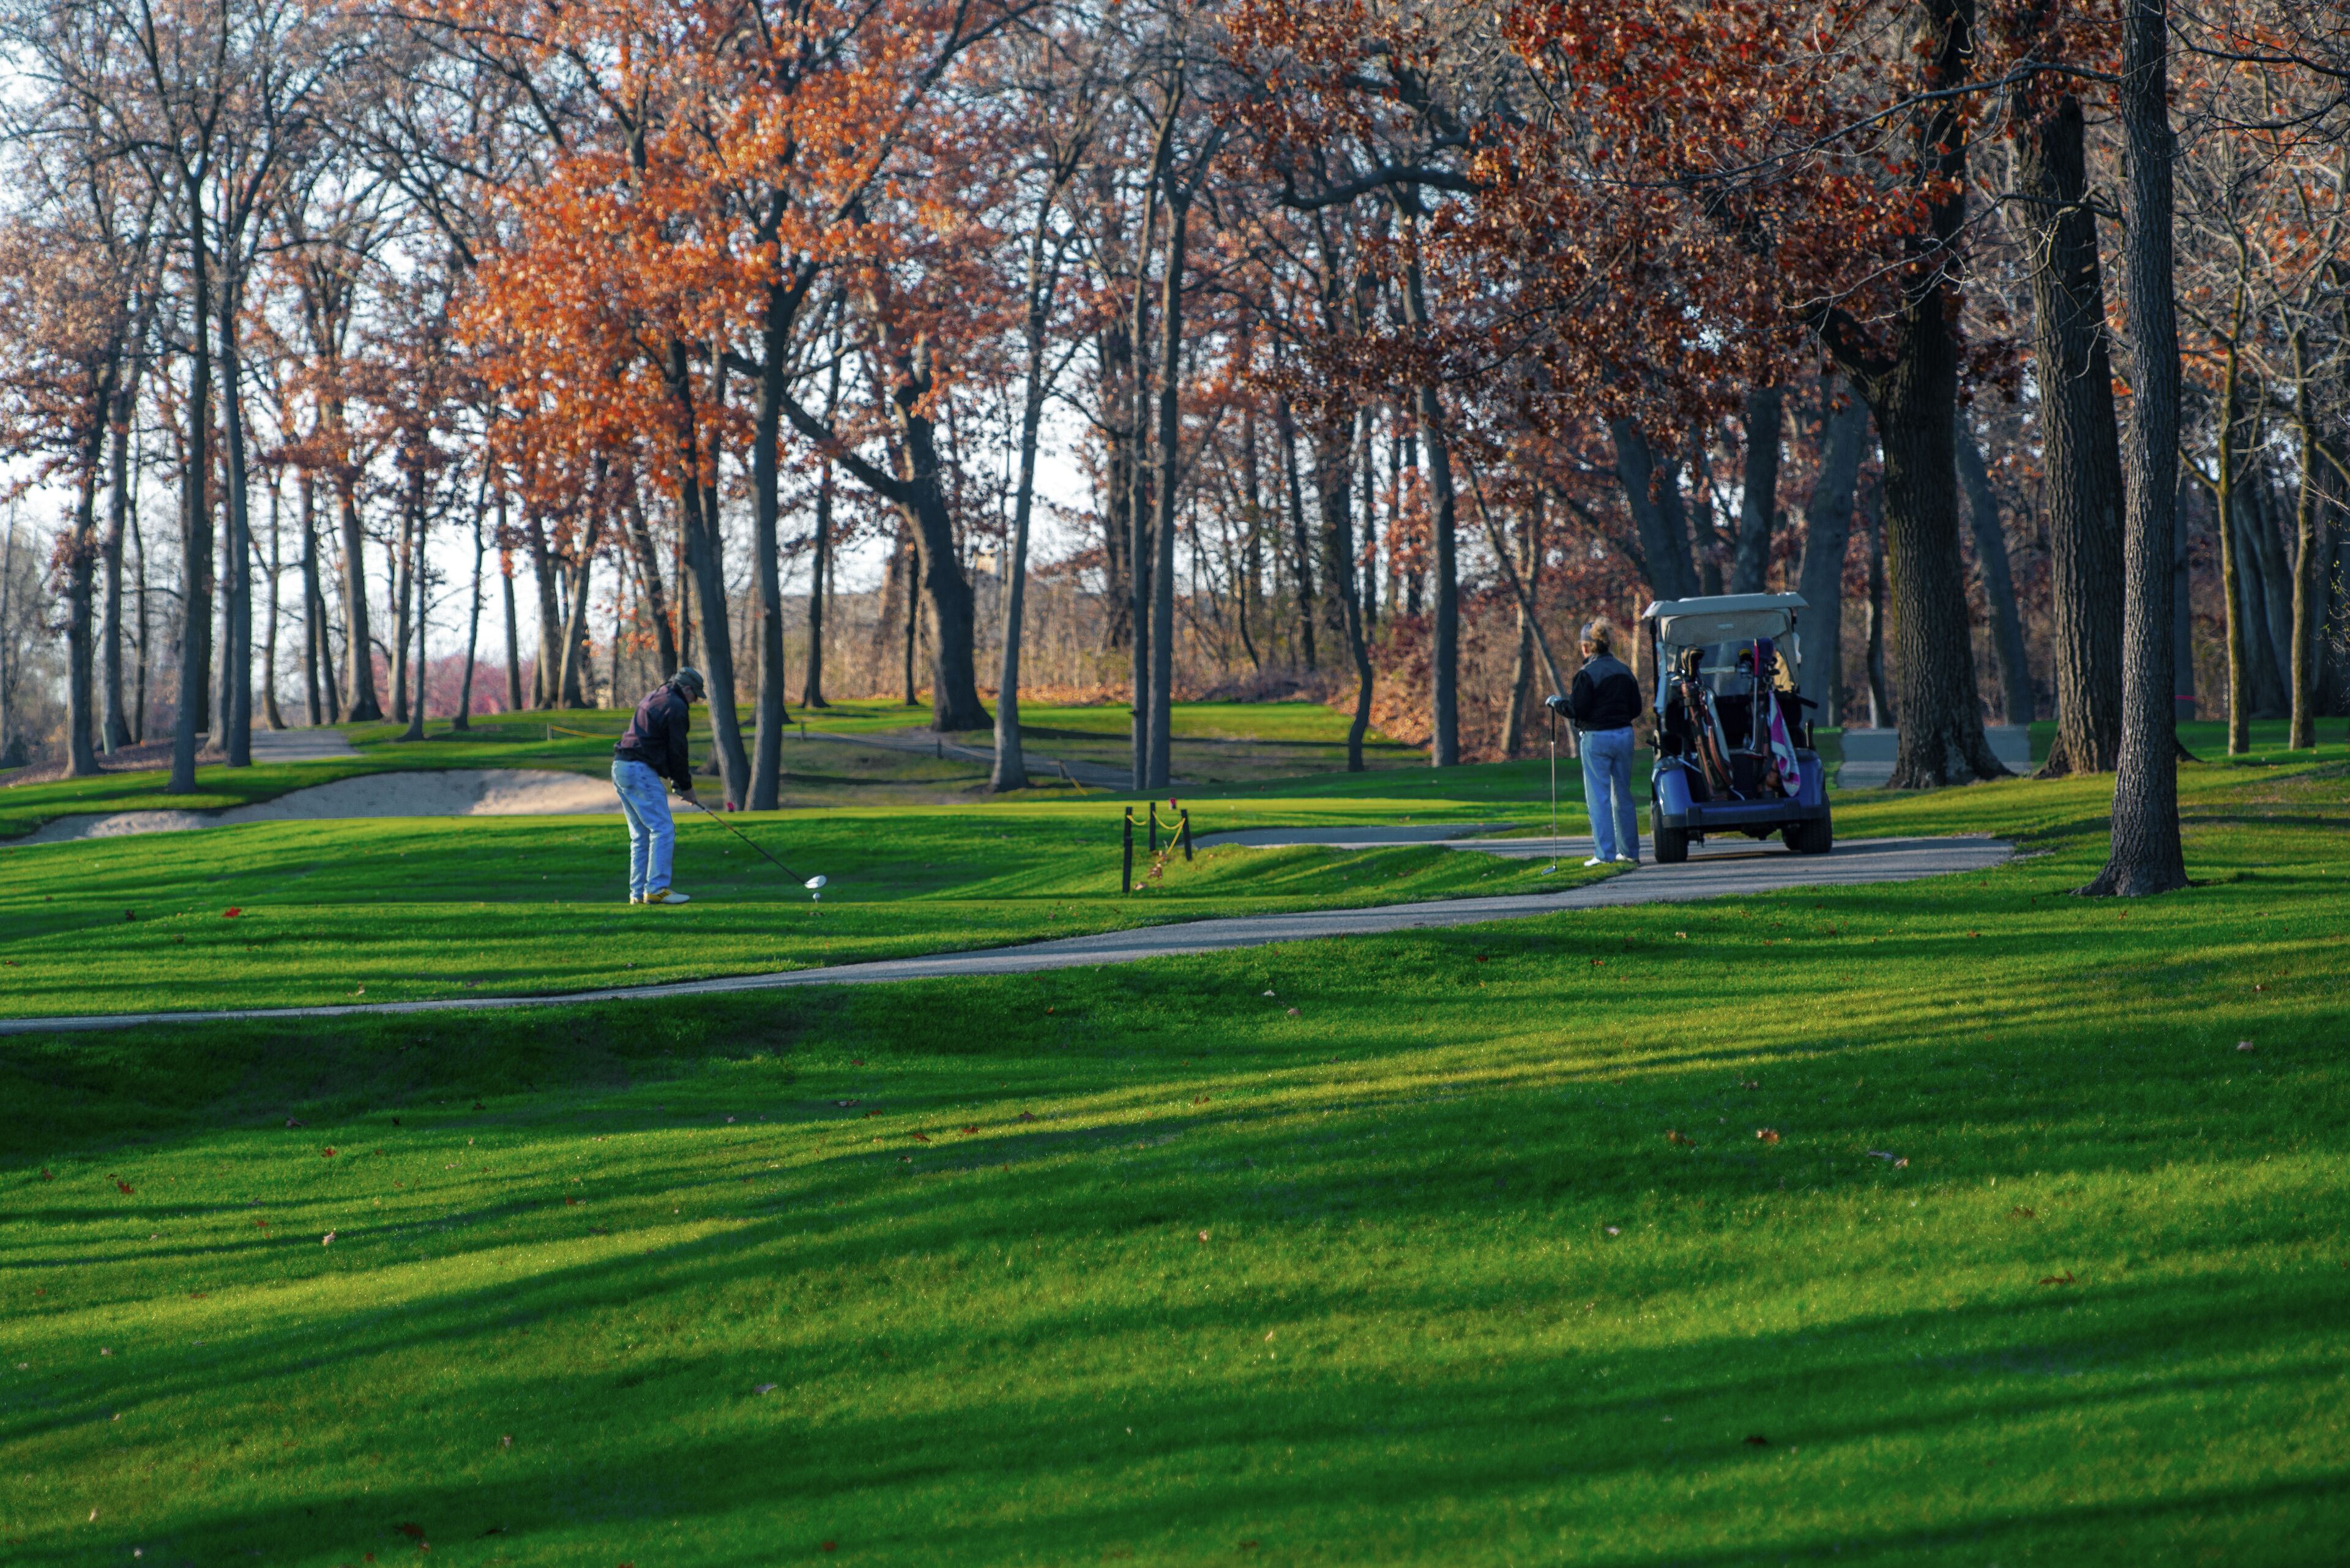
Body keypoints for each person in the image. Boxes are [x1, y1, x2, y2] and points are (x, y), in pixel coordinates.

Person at [1546, 619, 1643, 866]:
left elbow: (1576, 709)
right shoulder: (1624, 671)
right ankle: (1629, 852)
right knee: (1622, 795)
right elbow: (1636, 708)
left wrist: (1556, 703)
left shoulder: (1586, 674)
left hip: (1597, 738)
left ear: (1587, 647)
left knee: (1599, 797)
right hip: (1624, 735)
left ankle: (1604, 854)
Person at [612, 667, 707, 905]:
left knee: (641, 835)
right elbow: (678, 750)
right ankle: (656, 888)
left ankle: (637, 894)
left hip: (621, 767)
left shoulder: (656, 696)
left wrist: (677, 782)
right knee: (663, 829)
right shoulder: (676, 706)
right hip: (639, 769)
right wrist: (686, 786)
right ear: (687, 689)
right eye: (695, 695)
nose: (694, 701)